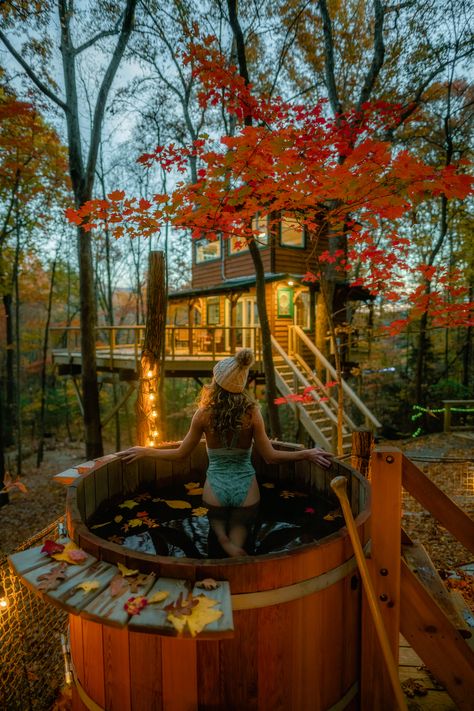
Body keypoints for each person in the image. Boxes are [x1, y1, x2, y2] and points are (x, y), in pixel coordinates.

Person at [117, 348, 333, 557]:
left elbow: (180, 454)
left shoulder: (203, 414)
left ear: (216, 382)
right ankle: (235, 545)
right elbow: (271, 456)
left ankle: (221, 538)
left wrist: (145, 451)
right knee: (241, 524)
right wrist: (306, 454)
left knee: (216, 522)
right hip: (246, 488)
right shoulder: (252, 413)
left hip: (215, 488)